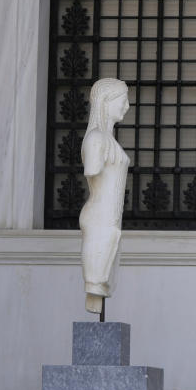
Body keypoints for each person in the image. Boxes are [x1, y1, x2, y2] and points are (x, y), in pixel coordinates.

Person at [79, 78, 131, 314]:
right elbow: (92, 170)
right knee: (96, 281)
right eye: (123, 100)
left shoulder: (108, 140)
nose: (127, 106)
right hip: (99, 218)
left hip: (111, 221)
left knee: (106, 279)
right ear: (106, 102)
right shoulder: (96, 139)